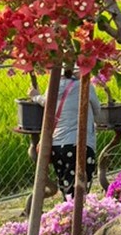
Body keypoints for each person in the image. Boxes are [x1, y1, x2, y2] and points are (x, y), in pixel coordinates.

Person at [31, 67, 101, 198]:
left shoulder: (53, 87)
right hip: (80, 144)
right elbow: (97, 111)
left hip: (57, 146)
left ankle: (67, 212)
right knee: (80, 190)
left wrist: (35, 96)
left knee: (66, 188)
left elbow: (45, 102)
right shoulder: (85, 86)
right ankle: (76, 216)